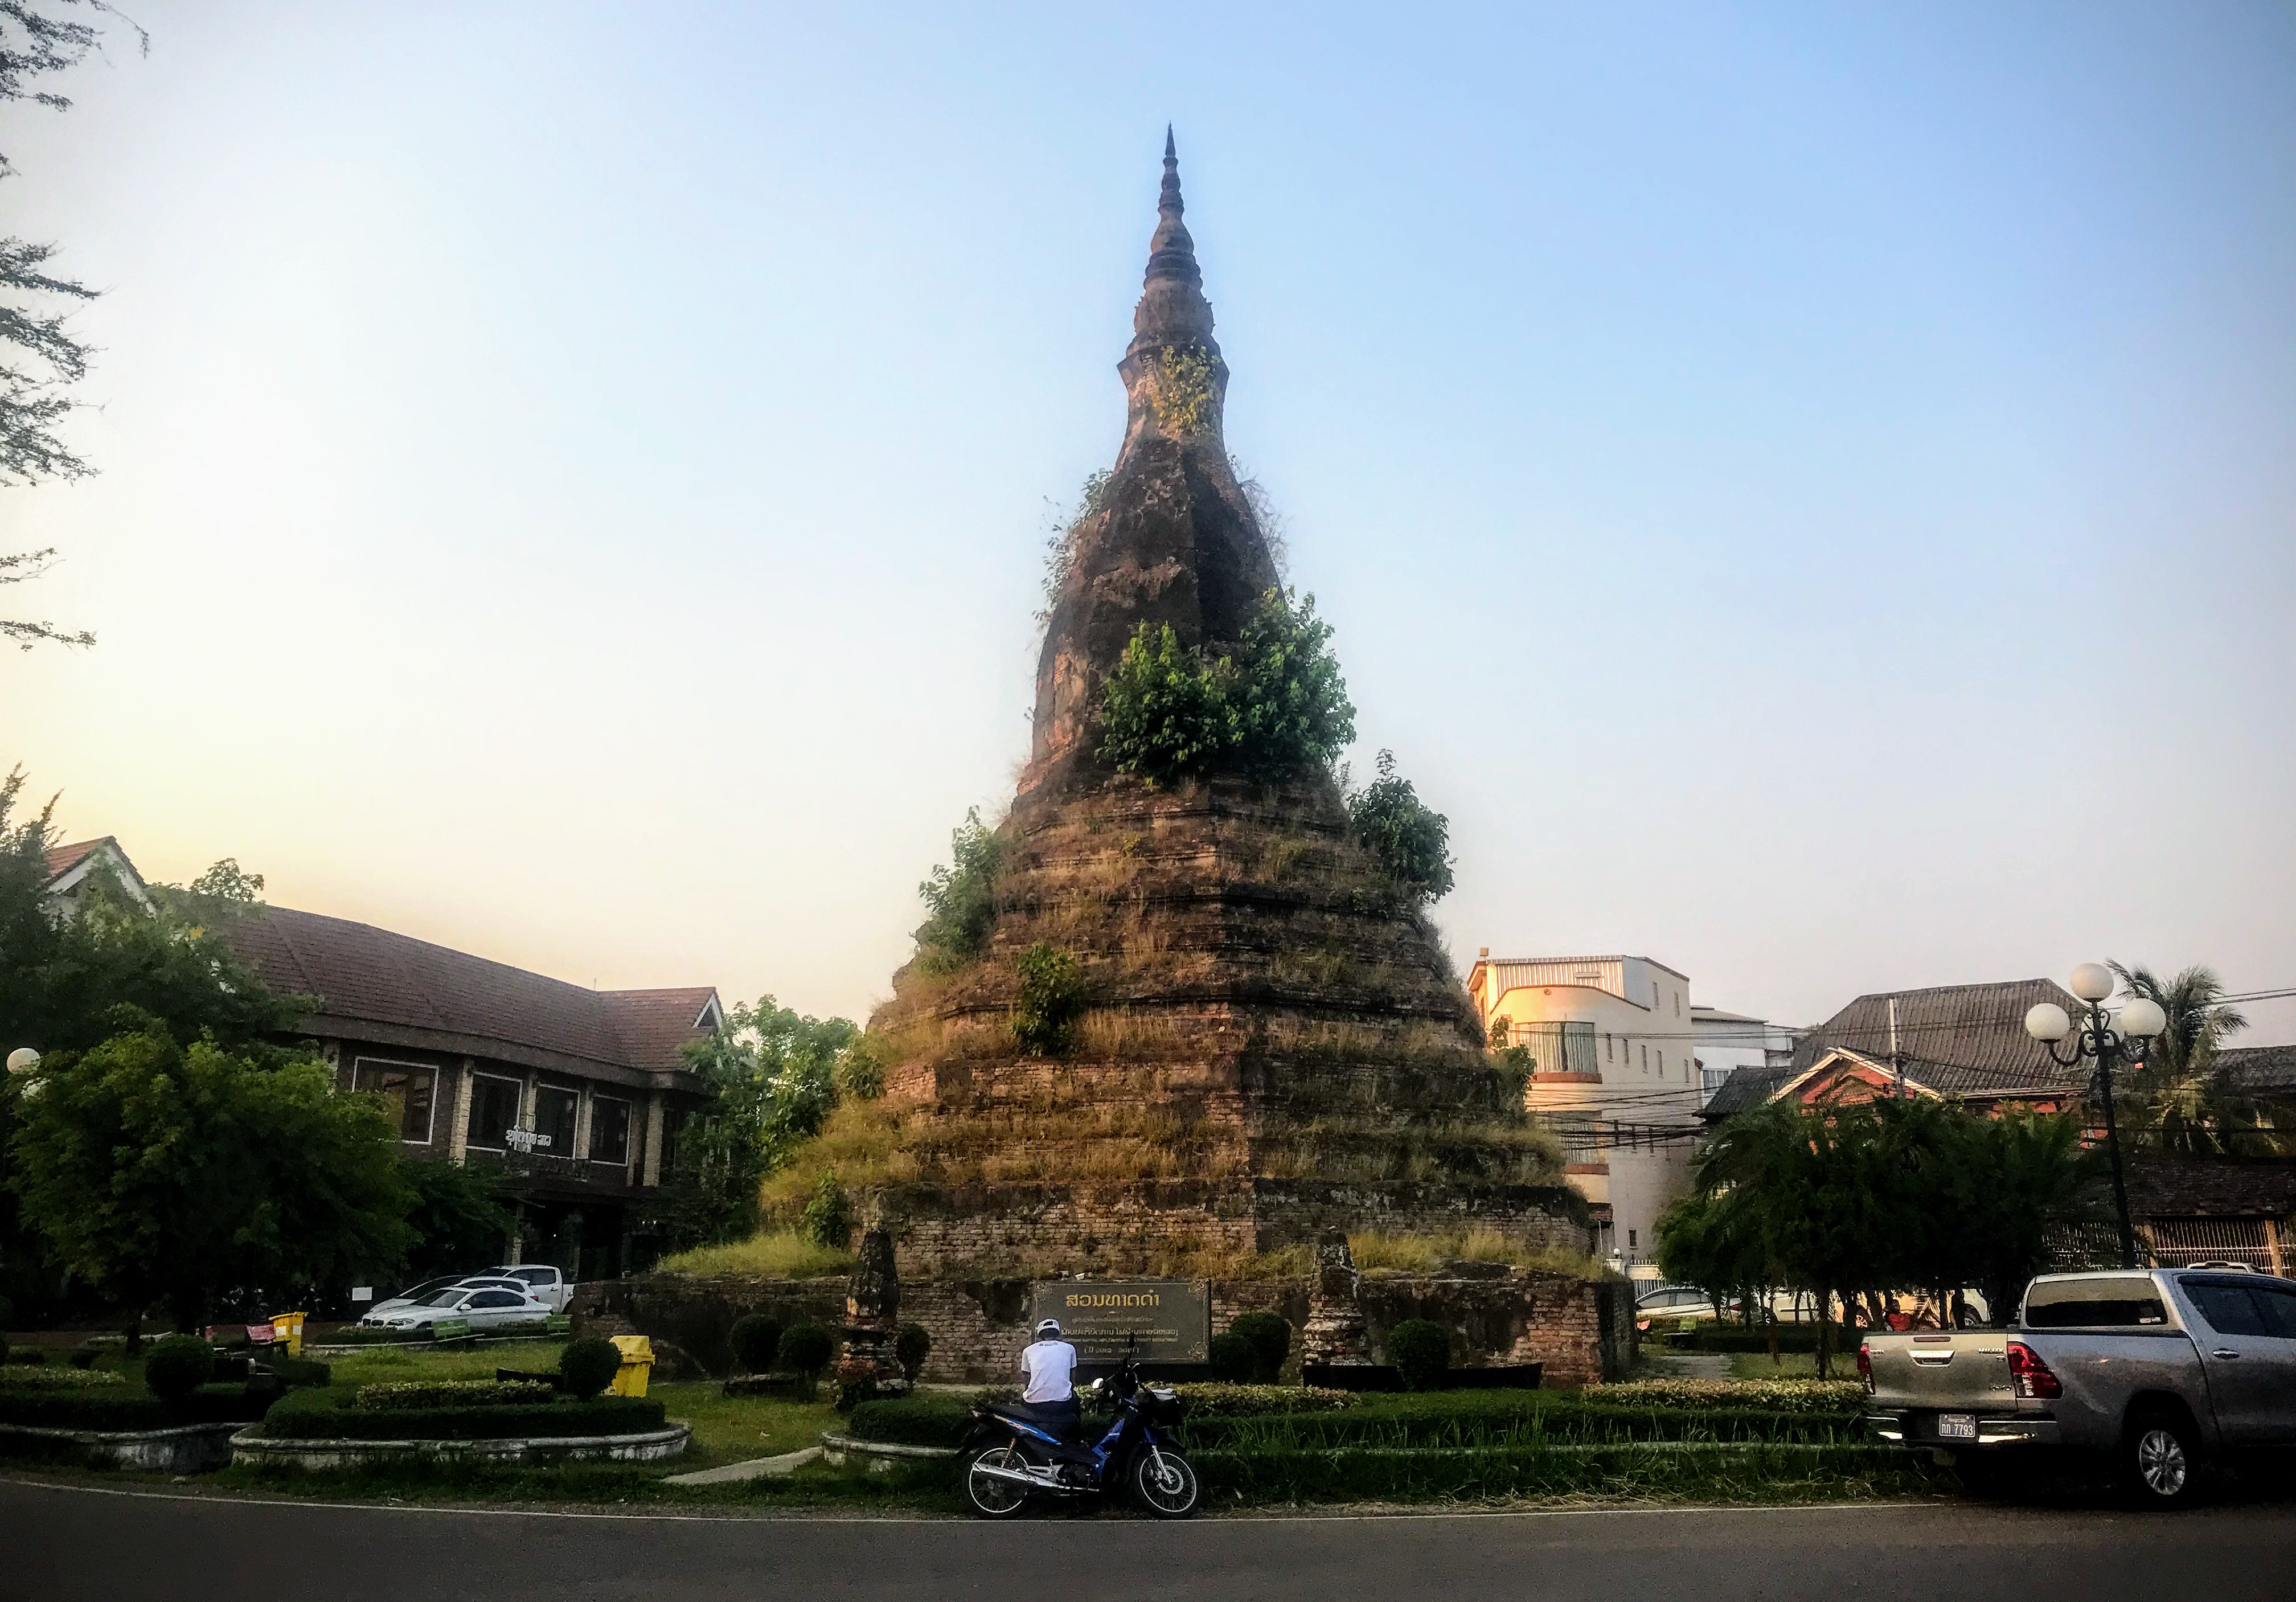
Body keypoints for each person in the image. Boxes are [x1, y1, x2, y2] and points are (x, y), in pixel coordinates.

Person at [1018, 1317, 1080, 1438]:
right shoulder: (1069, 1349)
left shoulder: (1028, 1351)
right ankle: (1078, 1440)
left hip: (1034, 1403)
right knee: (1076, 1402)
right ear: (1058, 1334)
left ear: (1040, 1335)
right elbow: (1072, 1378)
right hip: (1062, 1403)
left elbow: (1026, 1379)